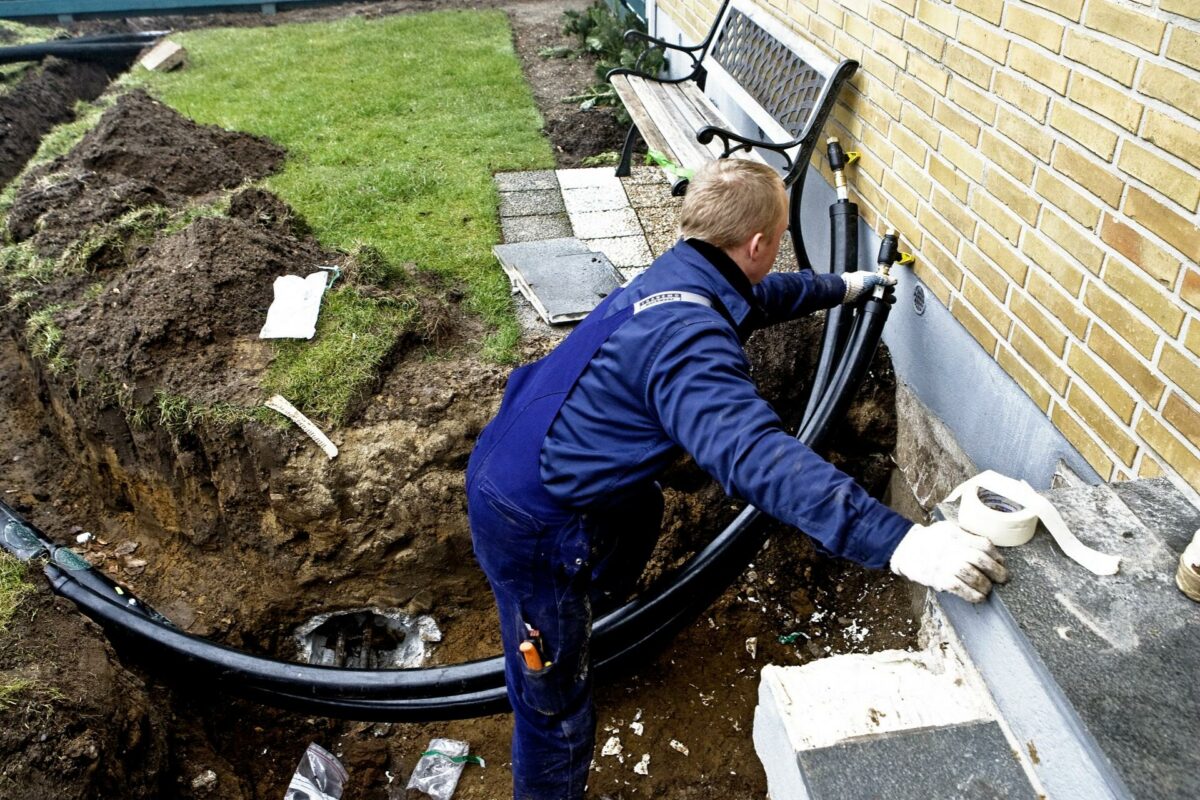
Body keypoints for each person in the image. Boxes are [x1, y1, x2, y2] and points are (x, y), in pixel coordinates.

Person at [466, 159, 1007, 800]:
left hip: (532, 448)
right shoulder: (690, 341)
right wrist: (903, 543)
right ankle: (564, 662)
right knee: (552, 705)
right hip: (528, 517)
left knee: (640, 508)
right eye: (777, 240)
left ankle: (595, 623)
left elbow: (759, 296)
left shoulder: (684, 274)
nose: (774, 254)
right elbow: (758, 456)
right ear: (758, 245)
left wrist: (847, 285)